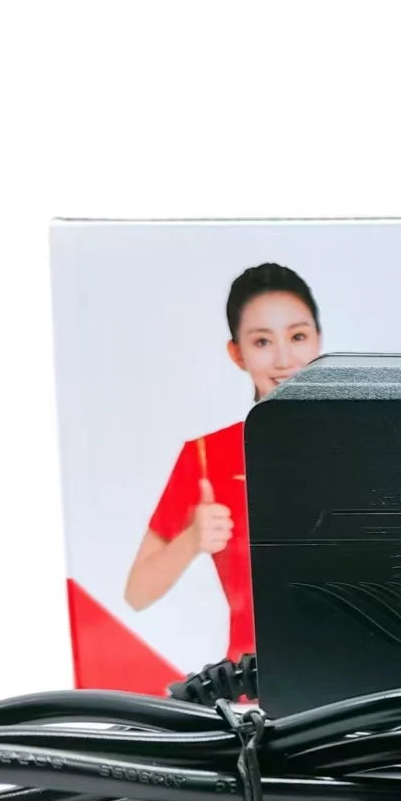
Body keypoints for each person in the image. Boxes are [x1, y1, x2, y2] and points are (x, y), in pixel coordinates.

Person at [124, 263, 324, 661]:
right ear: (237, 354)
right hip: (255, 681)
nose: (284, 359)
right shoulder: (205, 457)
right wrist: (192, 539)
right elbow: (137, 593)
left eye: (298, 336)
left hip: (362, 679)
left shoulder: (365, 441)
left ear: (318, 340)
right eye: (262, 342)